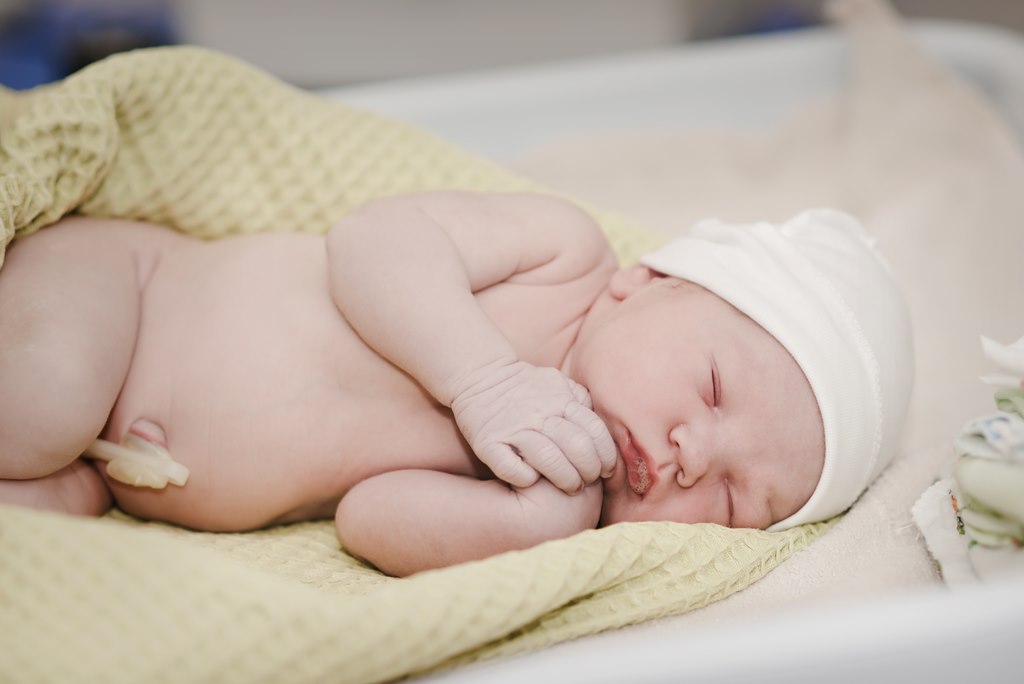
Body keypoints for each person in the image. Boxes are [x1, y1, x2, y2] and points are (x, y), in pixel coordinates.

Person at [0, 191, 913, 576]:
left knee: (41, 522)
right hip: (123, 298)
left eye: (730, 500)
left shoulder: (548, 488)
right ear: (648, 283)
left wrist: (521, 525)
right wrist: (484, 380)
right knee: (35, 408)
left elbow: (366, 519)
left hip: (114, 475)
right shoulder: (565, 258)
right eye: (714, 387)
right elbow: (372, 242)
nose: (689, 456)